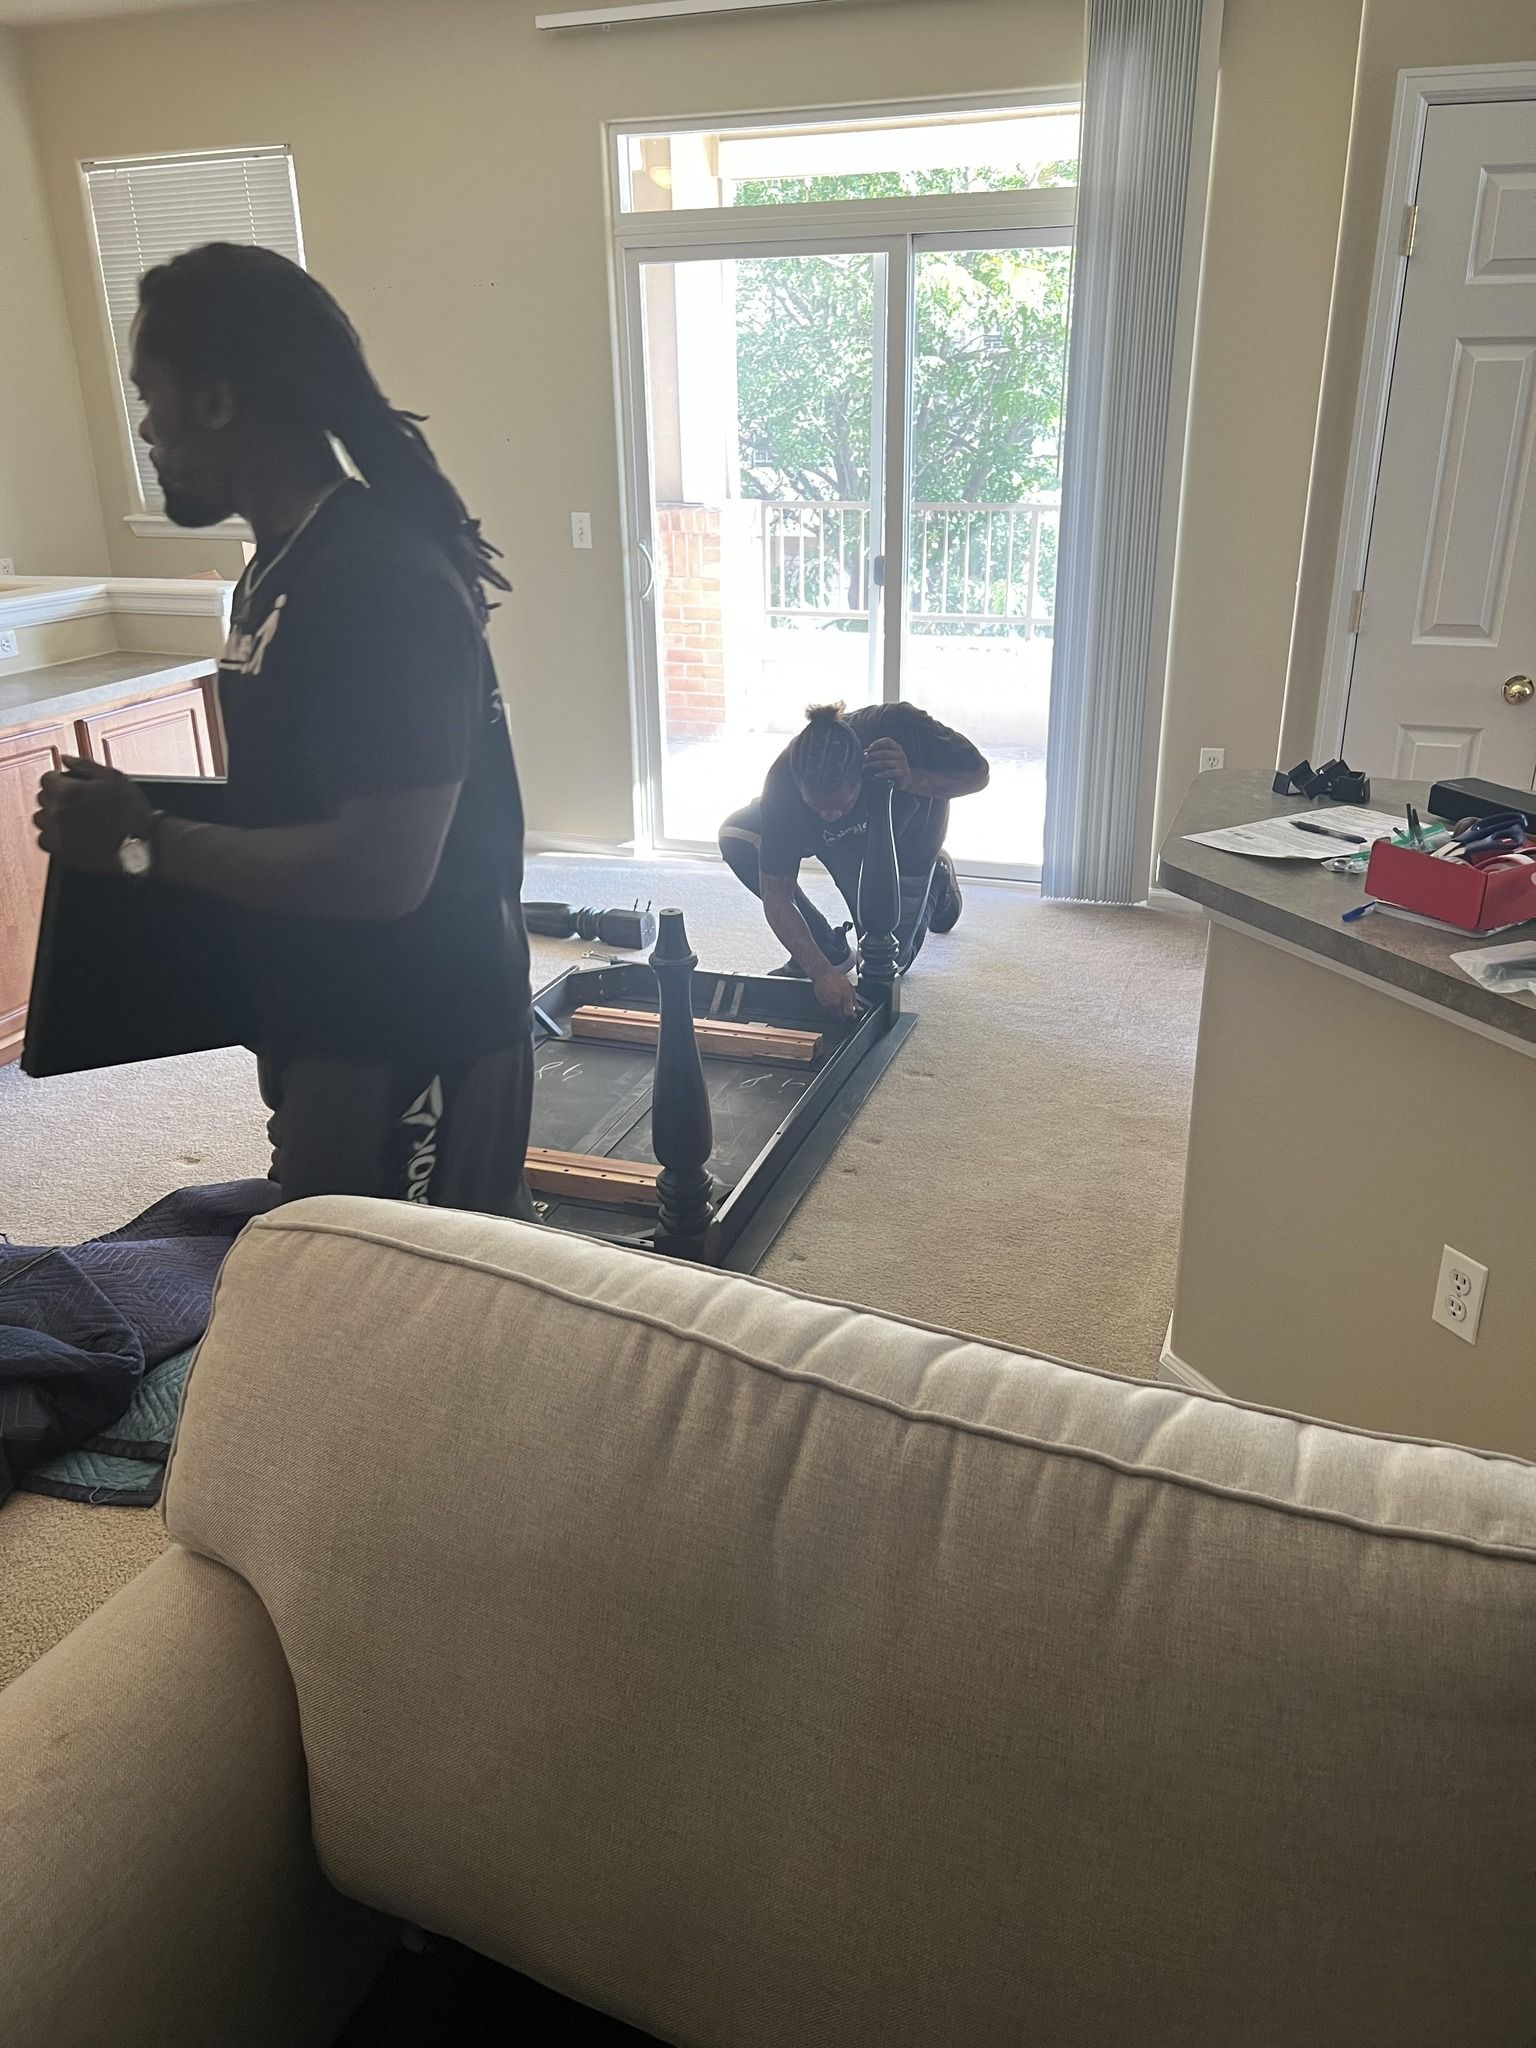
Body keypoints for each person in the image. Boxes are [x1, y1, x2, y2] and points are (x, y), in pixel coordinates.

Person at [33, 243, 532, 1215]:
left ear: (216, 399)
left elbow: (383, 870)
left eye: (150, 393)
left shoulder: (378, 577)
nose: (144, 426)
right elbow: (295, 800)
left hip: (416, 1026)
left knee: (393, 1334)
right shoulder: (276, 572)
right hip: (327, 1014)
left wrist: (143, 841)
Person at [719, 701, 990, 1019]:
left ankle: (939, 880)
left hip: (908, 847)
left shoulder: (902, 727)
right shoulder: (783, 782)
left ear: (861, 774)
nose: (830, 815)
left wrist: (911, 779)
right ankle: (830, 948)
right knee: (736, 835)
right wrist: (820, 970)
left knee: (885, 964)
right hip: (841, 847)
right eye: (818, 808)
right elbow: (776, 894)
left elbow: (978, 775)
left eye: (840, 804)